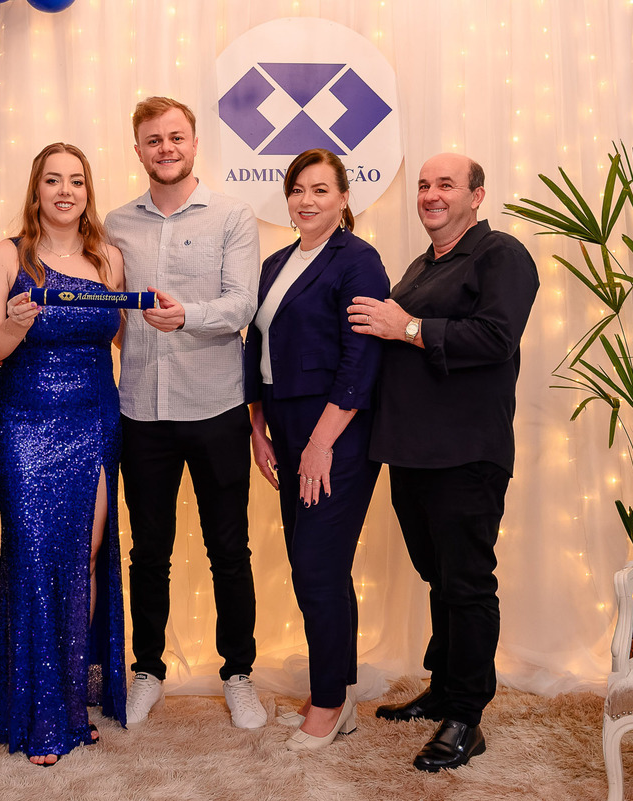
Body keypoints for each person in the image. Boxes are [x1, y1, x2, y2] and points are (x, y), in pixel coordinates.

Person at [347, 153, 538, 771]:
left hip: (466, 452)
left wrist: (406, 328)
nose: (430, 194)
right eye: (424, 185)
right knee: (439, 577)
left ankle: (466, 718)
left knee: (467, 582)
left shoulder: (501, 254)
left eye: (446, 185)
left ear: (476, 196)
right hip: (411, 452)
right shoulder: (422, 265)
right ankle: (443, 687)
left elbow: (496, 338)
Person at [105, 96, 265, 729]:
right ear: (138, 150)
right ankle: (147, 671)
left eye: (176, 137)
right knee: (148, 552)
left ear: (194, 143)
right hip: (141, 411)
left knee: (229, 549)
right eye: (153, 140)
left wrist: (185, 317)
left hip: (216, 406)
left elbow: (242, 304)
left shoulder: (233, 215)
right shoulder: (116, 223)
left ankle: (239, 674)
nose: (165, 148)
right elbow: (112, 309)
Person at [0, 142, 127, 766]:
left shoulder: (109, 258)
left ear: (88, 191)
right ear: (35, 190)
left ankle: (68, 701)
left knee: (84, 555)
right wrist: (15, 323)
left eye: (77, 181)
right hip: (26, 422)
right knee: (35, 558)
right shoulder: (5, 256)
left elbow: (118, 335)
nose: (66, 191)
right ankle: (38, 715)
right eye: (53, 180)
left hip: (95, 419)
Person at [244, 149, 389, 752]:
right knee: (314, 566)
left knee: (317, 565)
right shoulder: (276, 262)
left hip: (336, 428)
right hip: (283, 422)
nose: (306, 200)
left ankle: (329, 701)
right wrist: (258, 427)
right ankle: (337, 690)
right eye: (298, 189)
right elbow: (255, 346)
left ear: (344, 199)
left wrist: (320, 442)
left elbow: (363, 355)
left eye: (321, 190)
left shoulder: (358, 260)